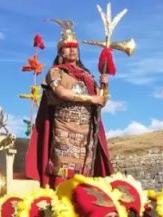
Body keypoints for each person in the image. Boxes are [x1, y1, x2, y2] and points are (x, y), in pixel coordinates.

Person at [25, 19, 113, 188]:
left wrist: (104, 85)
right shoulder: (55, 72)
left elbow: (101, 102)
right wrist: (91, 98)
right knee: (63, 168)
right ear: (61, 52)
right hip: (64, 128)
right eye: (68, 47)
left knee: (85, 170)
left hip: (86, 131)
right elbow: (61, 93)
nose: (73, 50)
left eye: (75, 47)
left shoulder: (88, 76)